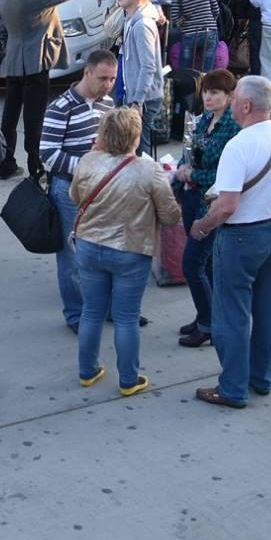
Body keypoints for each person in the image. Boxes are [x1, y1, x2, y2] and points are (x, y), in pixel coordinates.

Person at [189, 75, 271, 410]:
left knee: (232, 315)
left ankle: (233, 388)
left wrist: (202, 226)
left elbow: (227, 205)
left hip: (241, 237)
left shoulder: (238, 146)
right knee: (266, 309)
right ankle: (261, 377)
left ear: (244, 105)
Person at [68, 106, 179, 396]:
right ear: (136, 135)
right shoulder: (150, 170)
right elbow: (170, 217)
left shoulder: (88, 161)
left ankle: (87, 371)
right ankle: (128, 379)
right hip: (131, 250)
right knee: (127, 317)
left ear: (103, 133)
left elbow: (74, 197)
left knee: (91, 311)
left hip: (89, 246)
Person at [39, 49, 119, 332]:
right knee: (72, 256)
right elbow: (47, 154)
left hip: (102, 189)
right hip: (68, 190)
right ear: (86, 73)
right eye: (102, 78)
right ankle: (76, 315)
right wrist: (88, 165)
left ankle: (109, 308)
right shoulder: (60, 107)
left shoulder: (108, 103)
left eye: (112, 79)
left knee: (106, 251)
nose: (108, 85)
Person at [0, 0, 78, 178]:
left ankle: (6, 163)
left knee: (9, 118)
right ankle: (35, 165)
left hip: (13, 61)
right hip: (36, 62)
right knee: (34, 119)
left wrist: (7, 44)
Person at [173, 69, 238, 349]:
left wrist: (191, 176)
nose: (209, 97)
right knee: (206, 264)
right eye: (206, 92)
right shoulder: (205, 120)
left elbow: (223, 174)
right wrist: (181, 170)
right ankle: (207, 315)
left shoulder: (232, 128)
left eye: (215, 93)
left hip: (209, 203)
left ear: (230, 96)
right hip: (191, 198)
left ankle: (208, 325)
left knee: (192, 264)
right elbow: (190, 153)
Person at [115, 0, 168, 154]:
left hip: (144, 98)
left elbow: (148, 66)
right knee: (136, 144)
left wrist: (137, 101)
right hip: (138, 95)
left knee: (140, 147)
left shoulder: (142, 25)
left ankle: (145, 181)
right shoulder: (132, 20)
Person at [164, 0, 222, 81]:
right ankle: (204, 93)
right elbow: (216, 9)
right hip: (210, 31)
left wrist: (184, 22)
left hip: (190, 34)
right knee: (207, 70)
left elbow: (175, 19)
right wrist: (209, 21)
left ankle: (187, 92)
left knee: (186, 69)